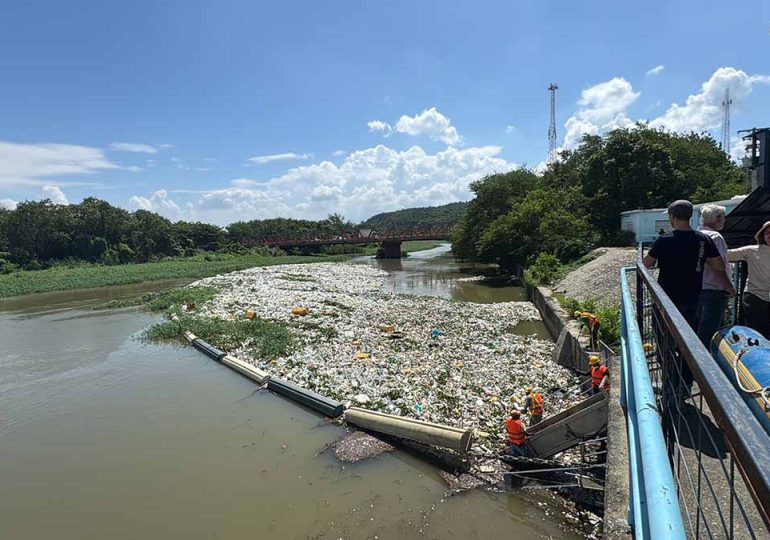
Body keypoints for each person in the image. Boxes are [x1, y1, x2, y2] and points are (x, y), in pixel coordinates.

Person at [643, 200, 734, 330]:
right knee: (688, 333)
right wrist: (728, 286)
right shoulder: (703, 239)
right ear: (690, 216)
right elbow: (718, 266)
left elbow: (646, 263)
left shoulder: (664, 240)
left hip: (666, 296)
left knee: (663, 332)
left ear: (672, 216)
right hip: (692, 297)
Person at [697, 204, 733, 347]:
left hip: (697, 287)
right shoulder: (715, 237)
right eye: (723, 217)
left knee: (697, 326)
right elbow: (718, 266)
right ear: (718, 218)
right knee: (709, 330)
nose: (724, 220)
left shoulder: (696, 234)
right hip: (714, 289)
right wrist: (729, 286)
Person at [728, 221, 770, 338]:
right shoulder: (751, 250)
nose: (769, 235)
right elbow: (726, 255)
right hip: (754, 297)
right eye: (767, 233)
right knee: (756, 332)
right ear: (762, 235)